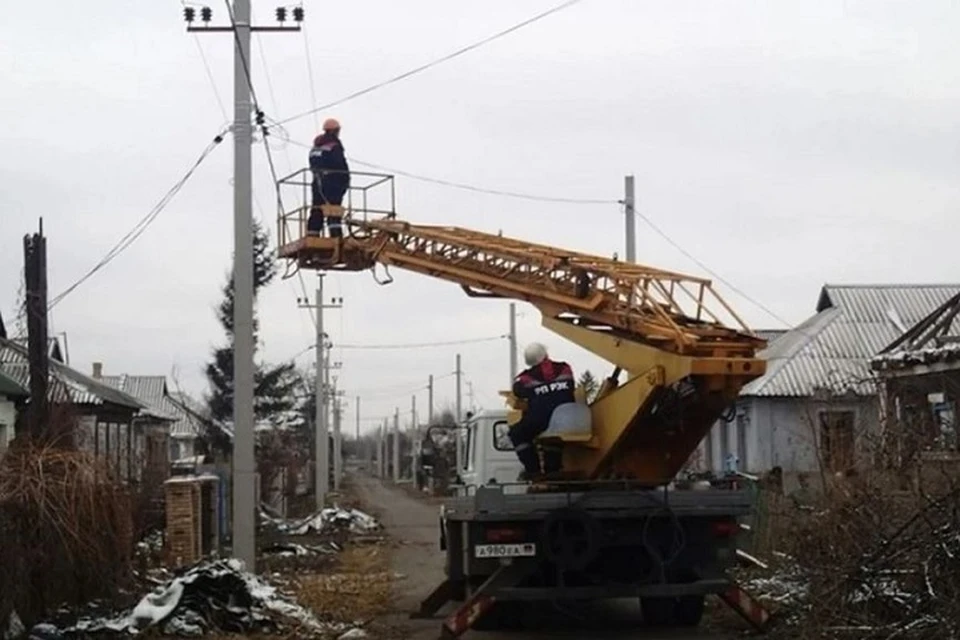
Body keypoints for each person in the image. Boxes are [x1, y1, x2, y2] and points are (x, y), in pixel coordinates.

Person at [509, 342, 576, 479]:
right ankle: (553, 470)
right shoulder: (565, 368)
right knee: (552, 437)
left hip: (542, 420)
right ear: (546, 354)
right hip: (569, 417)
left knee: (517, 433)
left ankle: (533, 470)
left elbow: (518, 391)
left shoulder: (526, 378)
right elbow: (571, 385)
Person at [307, 118, 350, 237]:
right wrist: (345, 181)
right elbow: (340, 165)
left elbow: (313, 165)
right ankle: (336, 236)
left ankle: (312, 235)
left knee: (317, 209)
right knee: (334, 210)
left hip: (317, 183)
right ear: (335, 131)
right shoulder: (334, 146)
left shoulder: (314, 149)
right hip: (333, 183)